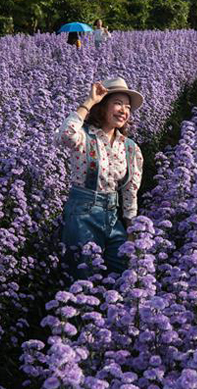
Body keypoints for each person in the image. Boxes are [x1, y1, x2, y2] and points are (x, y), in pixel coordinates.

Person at [57, 77, 145, 280]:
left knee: (122, 271)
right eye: (117, 104)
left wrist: (131, 229)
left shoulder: (130, 147)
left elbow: (130, 191)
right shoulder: (84, 137)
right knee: (83, 275)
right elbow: (65, 135)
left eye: (127, 107)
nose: (124, 110)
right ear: (102, 107)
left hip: (113, 216)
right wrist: (89, 101)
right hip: (82, 214)